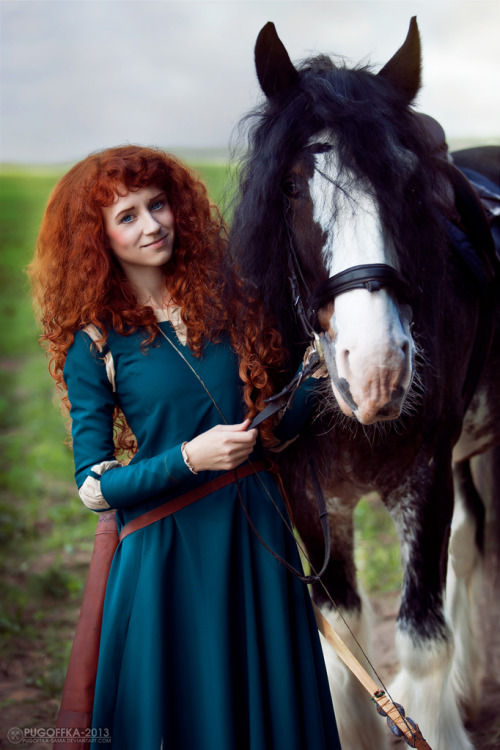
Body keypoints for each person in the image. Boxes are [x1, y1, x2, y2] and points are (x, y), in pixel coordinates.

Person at [30, 145, 341, 750]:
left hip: (258, 538)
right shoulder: (94, 341)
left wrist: (323, 374)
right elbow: (94, 486)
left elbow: (272, 427)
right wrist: (188, 459)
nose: (151, 224)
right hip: (169, 558)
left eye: (157, 205)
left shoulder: (232, 300)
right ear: (96, 239)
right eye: (126, 216)